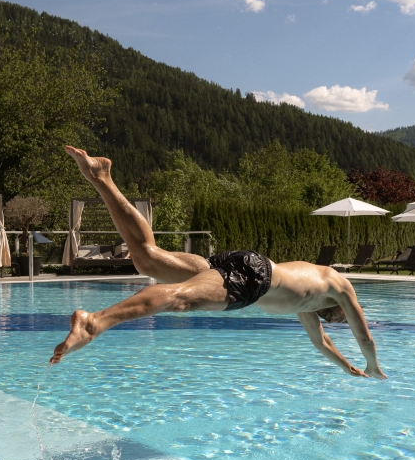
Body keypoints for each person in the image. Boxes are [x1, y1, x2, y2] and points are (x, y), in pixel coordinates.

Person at [50, 146, 386, 380]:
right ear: (339, 309)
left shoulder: (308, 302)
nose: (341, 318)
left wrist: (348, 368)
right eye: (342, 317)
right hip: (255, 277)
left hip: (240, 263)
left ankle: (102, 177)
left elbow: (322, 343)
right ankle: (94, 322)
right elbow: (365, 337)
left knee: (147, 257)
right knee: (178, 298)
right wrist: (373, 366)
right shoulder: (340, 287)